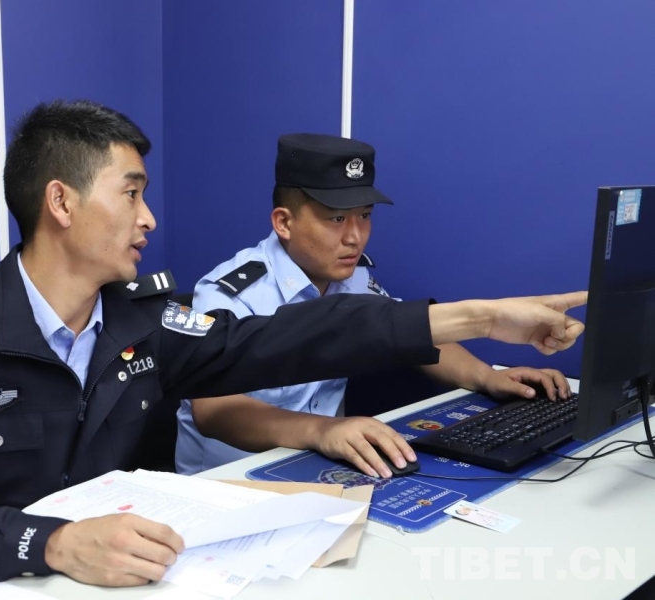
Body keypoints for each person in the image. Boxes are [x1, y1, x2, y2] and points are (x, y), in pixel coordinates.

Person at [0, 101, 585, 588]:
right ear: (61, 203)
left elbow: (291, 337)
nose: (149, 219)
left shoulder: (144, 322)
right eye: (132, 193)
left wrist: (479, 318)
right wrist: (48, 544)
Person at [175, 133, 574, 478]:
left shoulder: (352, 276)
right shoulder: (231, 292)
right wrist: (322, 430)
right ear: (284, 222)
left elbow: (407, 329)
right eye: (336, 219)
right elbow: (214, 409)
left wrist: (487, 377)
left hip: (316, 467)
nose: (355, 237)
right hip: (230, 483)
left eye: (364, 216)